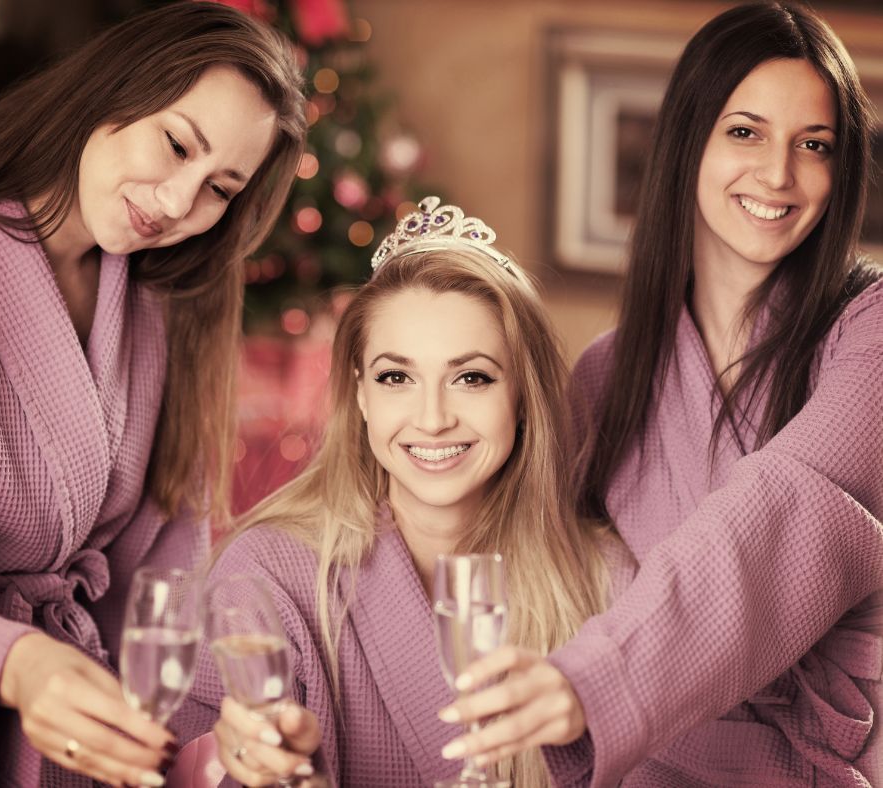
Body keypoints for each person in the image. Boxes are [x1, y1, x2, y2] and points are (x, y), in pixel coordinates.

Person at [440, 3, 883, 786]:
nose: (778, 174)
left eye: (813, 145)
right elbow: (494, 548)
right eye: (745, 132)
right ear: (688, 140)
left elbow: (787, 515)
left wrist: (598, 680)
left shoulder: (870, 332)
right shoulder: (607, 377)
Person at [0, 3, 305, 785]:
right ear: (111, 89)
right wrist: (12, 665)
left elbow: (168, 586)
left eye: (219, 188)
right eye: (176, 144)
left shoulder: (160, 308)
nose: (176, 204)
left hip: (89, 735)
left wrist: (232, 720)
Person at [168, 196, 637, 786]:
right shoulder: (266, 575)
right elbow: (195, 758)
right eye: (397, 377)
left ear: (523, 397)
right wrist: (258, 764)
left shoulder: (604, 581)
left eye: (471, 377)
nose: (433, 418)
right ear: (362, 394)